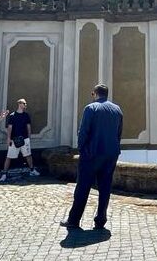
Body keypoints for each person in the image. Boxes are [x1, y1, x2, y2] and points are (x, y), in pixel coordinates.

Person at [61, 84, 123, 231]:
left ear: (95, 94)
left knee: (82, 187)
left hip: (92, 154)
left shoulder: (91, 108)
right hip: (111, 154)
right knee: (105, 187)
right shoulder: (117, 109)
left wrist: (82, 150)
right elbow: (119, 133)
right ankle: (101, 220)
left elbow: (83, 132)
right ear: (106, 94)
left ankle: (73, 220)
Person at [0, 98, 40, 182]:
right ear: (20, 104)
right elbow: (9, 127)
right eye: (24, 104)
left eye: (25, 104)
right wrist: (8, 138)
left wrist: (28, 138)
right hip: (14, 139)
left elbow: (28, 127)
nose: (25, 105)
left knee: (28, 155)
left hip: (24, 139)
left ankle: (32, 170)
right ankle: (4, 174)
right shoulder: (12, 115)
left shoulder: (26, 115)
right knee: (9, 156)